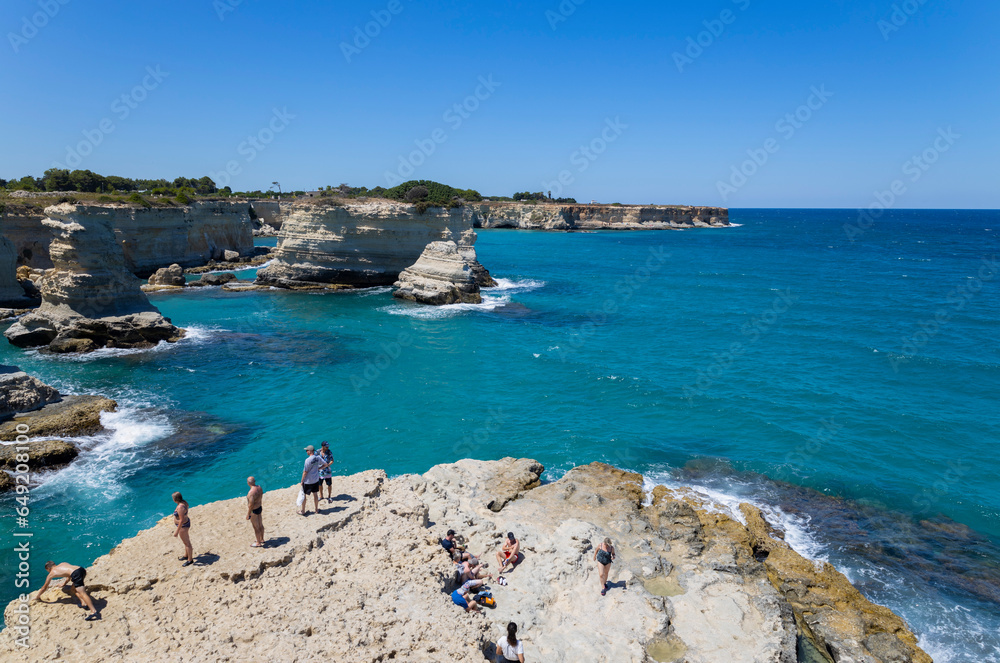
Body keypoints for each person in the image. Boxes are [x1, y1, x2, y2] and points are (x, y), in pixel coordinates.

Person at [299, 445, 329, 516]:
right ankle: (316, 509)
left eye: (307, 450)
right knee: (315, 494)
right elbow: (326, 464)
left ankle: (303, 511)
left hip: (308, 481)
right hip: (315, 480)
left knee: (304, 495)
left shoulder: (307, 460)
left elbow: (305, 472)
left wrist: (302, 480)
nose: (306, 452)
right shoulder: (318, 458)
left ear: (309, 451)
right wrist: (319, 468)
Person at [173, 492, 193, 566]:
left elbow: (181, 520)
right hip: (185, 523)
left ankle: (190, 560)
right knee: (185, 542)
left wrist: (176, 532)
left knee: (187, 543)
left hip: (183, 526)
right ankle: (186, 555)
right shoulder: (184, 502)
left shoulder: (180, 507)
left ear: (175, 499)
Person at [246, 476, 265, 548]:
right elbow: (261, 495)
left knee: (256, 527)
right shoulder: (259, 487)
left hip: (254, 510)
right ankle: (261, 539)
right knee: (260, 524)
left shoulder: (251, 493)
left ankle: (258, 542)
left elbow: (251, 505)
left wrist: (248, 514)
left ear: (248, 483)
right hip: (259, 507)